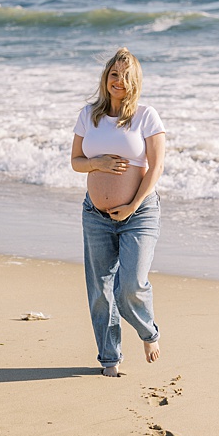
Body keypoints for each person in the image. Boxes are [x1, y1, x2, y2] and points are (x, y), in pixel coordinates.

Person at [70, 47, 166, 377]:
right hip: (95, 216)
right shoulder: (89, 115)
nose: (118, 80)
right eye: (114, 74)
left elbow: (156, 168)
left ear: (135, 82)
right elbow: (76, 162)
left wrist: (132, 206)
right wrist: (97, 163)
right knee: (99, 291)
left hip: (138, 215)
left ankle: (148, 332)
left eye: (126, 76)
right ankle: (109, 358)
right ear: (105, 78)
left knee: (130, 285)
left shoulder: (146, 116)